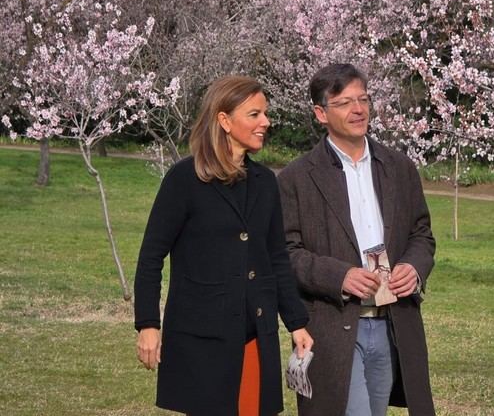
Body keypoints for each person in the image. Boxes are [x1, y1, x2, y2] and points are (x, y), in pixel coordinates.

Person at [134, 76, 313, 416]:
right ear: (224, 120)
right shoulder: (184, 179)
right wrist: (147, 324)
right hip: (202, 338)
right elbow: (151, 256)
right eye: (255, 114)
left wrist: (296, 322)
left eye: (265, 114)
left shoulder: (266, 183)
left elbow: (276, 258)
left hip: (254, 336)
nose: (266, 122)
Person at [278, 64, 436, 416]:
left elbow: (421, 233)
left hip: (392, 322)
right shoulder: (296, 179)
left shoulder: (399, 167)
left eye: (363, 99)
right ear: (321, 113)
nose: (359, 109)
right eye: (346, 102)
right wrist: (340, 276)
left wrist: (413, 266)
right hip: (333, 326)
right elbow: (286, 254)